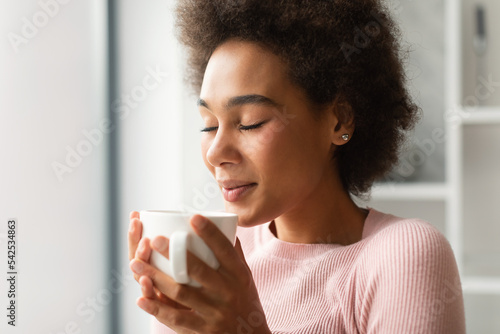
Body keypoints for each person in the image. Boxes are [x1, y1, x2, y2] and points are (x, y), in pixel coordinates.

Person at [128, 0, 466, 333]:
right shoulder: (220, 257)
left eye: (250, 123)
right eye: (209, 125)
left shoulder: (403, 256)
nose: (216, 152)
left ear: (339, 120)